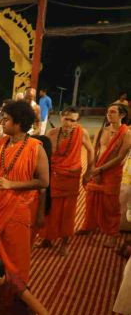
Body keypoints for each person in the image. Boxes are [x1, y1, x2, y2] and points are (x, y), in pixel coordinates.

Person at [0, 101, 49, 283]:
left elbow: (44, 181)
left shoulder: (36, 148)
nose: (2, 123)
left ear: (19, 123)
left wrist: (10, 184)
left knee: (14, 256)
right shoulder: (0, 142)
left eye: (6, 119)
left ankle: (14, 288)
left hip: (18, 209)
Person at [40, 107, 94, 255]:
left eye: (73, 120)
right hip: (54, 175)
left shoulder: (81, 133)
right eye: (67, 119)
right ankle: (47, 238)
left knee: (67, 211)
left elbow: (91, 151)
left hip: (71, 176)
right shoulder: (52, 133)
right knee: (50, 208)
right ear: (61, 117)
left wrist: (88, 171)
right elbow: (43, 154)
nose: (69, 123)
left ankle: (65, 242)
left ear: (77, 121)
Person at [79, 103, 131, 247]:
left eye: (113, 112)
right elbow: (94, 151)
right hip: (97, 170)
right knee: (91, 199)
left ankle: (112, 235)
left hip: (112, 173)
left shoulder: (126, 133)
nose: (109, 114)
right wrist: (92, 169)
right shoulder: (102, 131)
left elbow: (120, 157)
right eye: (108, 112)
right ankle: (88, 226)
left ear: (122, 115)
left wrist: (100, 169)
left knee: (111, 205)